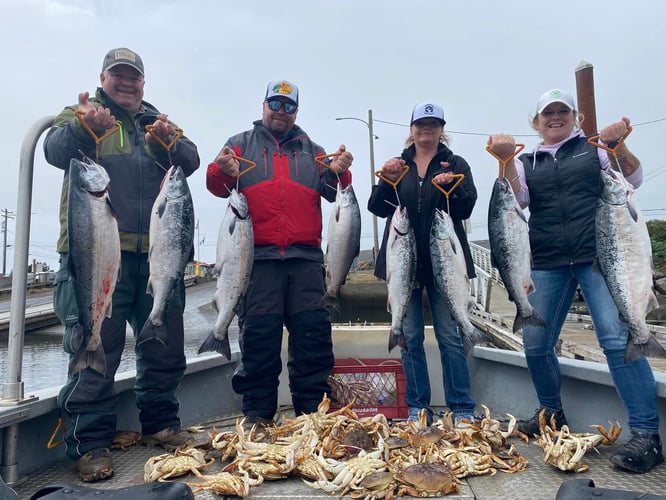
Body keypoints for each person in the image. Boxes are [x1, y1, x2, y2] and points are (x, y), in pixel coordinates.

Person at [44, 47, 200, 482]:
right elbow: (54, 150)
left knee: (165, 349)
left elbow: (190, 160)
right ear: (103, 77)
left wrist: (169, 140)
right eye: (118, 75)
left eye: (134, 76)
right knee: (95, 347)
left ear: (143, 83)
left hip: (156, 259)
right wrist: (83, 128)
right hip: (94, 256)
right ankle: (91, 445)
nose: (126, 83)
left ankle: (161, 424)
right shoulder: (81, 114)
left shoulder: (158, 121)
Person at [488, 88, 663, 473]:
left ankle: (647, 434)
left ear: (574, 117)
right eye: (547, 113)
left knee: (618, 339)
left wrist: (617, 145)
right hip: (548, 260)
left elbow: (632, 174)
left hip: (601, 256)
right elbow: (515, 201)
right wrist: (504, 161)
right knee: (534, 341)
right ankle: (552, 413)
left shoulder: (594, 149)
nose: (555, 117)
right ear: (536, 122)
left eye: (562, 111)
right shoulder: (526, 160)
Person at [206, 80, 353, 424]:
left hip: (307, 263)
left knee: (313, 341)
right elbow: (216, 186)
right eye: (276, 104)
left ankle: (311, 416)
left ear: (296, 112)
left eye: (289, 106)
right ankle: (258, 417)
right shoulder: (240, 145)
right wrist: (219, 169)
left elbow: (339, 196)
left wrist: (343, 170)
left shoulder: (314, 151)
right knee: (259, 341)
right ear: (263, 106)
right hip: (256, 262)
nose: (281, 112)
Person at [368, 102, 478, 426]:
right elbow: (378, 207)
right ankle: (418, 408)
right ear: (411, 129)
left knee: (449, 334)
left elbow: (466, 207)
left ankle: (462, 408)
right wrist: (388, 180)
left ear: (442, 128)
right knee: (410, 335)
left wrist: (450, 189)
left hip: (443, 262)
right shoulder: (397, 165)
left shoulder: (455, 163)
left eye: (433, 123)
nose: (426, 129)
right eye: (420, 123)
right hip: (403, 264)